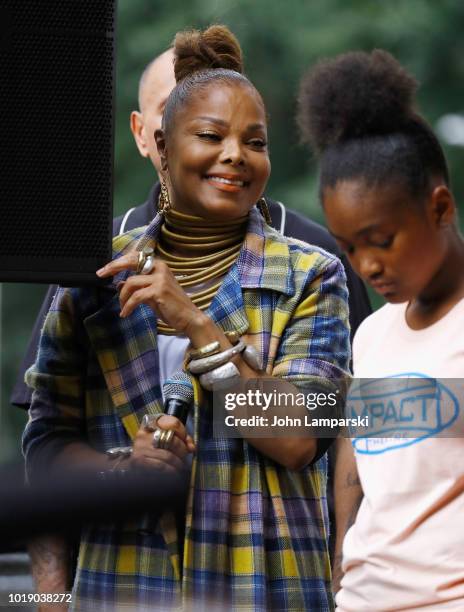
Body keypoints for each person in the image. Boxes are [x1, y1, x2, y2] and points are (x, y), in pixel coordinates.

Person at [23, 25, 351, 611]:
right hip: (126, 585)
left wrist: (196, 324)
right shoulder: (97, 279)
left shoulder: (314, 274)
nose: (235, 155)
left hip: (265, 588)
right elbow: (47, 444)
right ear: (161, 146)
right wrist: (125, 469)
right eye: (211, 135)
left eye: (256, 142)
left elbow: (303, 437)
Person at [10, 48, 370, 413]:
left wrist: (199, 328)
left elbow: (354, 415)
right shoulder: (99, 257)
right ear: (144, 134)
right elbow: (49, 429)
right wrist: (124, 467)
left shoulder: (315, 260)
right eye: (173, 109)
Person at [298, 49, 464, 610]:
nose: (365, 266)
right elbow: (357, 450)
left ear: (440, 207)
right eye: (349, 247)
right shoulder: (371, 333)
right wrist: (342, 561)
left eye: (381, 239)